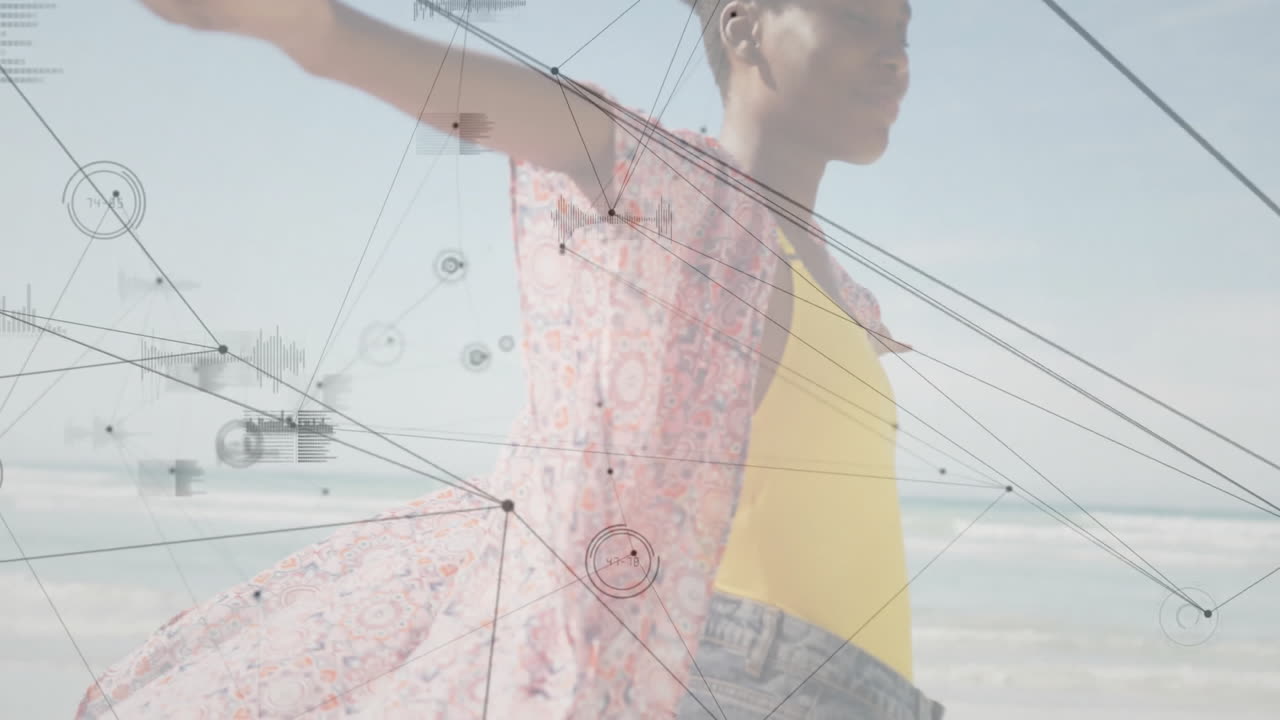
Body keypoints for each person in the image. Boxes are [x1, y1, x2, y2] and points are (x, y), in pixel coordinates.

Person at [76, 0, 938, 717]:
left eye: (903, 32)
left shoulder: (842, 292)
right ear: (745, 27)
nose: (895, 57)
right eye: (860, 19)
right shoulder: (693, 204)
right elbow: (563, 128)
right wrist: (319, 32)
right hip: (747, 682)